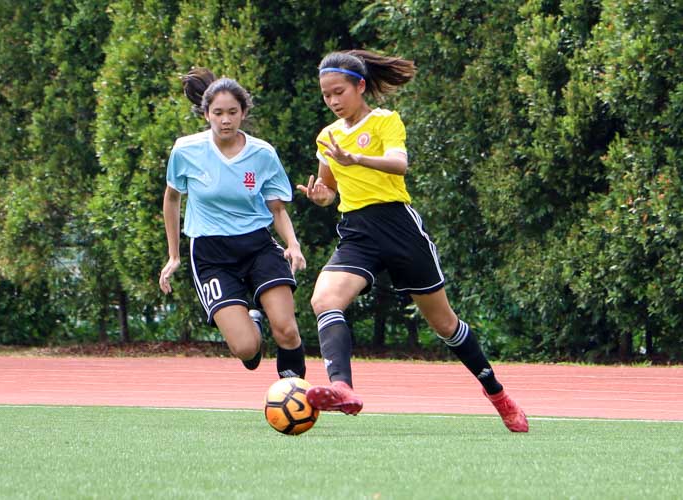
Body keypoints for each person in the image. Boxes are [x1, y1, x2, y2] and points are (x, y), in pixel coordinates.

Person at [297, 50, 528, 432]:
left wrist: (357, 158)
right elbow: (330, 188)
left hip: (399, 227)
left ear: (360, 86)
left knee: (445, 325)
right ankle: (343, 388)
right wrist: (322, 195)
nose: (333, 101)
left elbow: (399, 163)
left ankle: (498, 395)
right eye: (326, 95)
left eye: (339, 92)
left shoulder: (386, 121)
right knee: (324, 300)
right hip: (357, 232)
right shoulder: (327, 137)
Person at [159, 68, 307, 379]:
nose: (225, 120)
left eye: (232, 112)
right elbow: (172, 198)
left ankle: (295, 395)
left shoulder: (263, 154)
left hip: (257, 245)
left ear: (243, 113)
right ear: (206, 114)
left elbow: (277, 209)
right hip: (211, 255)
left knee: (287, 330)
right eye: (218, 113)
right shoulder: (186, 150)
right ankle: (252, 324)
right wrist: (174, 256)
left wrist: (293, 245)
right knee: (246, 350)